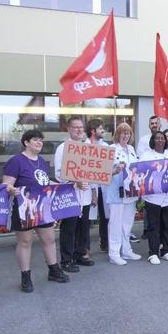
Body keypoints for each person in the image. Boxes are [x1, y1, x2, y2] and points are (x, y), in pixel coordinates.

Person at [3, 129, 69, 293]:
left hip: (42, 207)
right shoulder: (16, 161)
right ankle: (25, 276)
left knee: (50, 239)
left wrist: (68, 185)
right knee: (25, 242)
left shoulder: (41, 161)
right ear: (26, 142)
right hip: (23, 207)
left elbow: (46, 183)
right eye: (35, 140)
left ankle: (54, 270)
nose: (39, 143)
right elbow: (6, 184)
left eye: (41, 140)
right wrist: (11, 189)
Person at [54, 117, 94, 273]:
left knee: (84, 227)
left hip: (86, 194)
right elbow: (59, 173)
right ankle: (66, 260)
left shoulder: (88, 147)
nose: (79, 130)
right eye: (75, 127)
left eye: (81, 127)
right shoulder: (63, 148)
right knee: (69, 228)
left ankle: (80, 254)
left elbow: (95, 170)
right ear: (69, 129)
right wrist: (75, 181)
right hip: (71, 195)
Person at [104, 123, 142, 265]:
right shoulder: (112, 149)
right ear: (117, 134)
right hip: (116, 192)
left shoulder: (131, 149)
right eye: (123, 133)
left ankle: (126, 250)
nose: (125, 135)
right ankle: (114, 253)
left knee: (127, 223)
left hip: (130, 192)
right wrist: (115, 170)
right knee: (115, 224)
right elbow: (103, 171)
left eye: (128, 133)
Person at [140, 131, 168, 264]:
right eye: (157, 138)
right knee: (153, 226)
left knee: (167, 225)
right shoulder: (146, 155)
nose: (160, 140)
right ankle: (153, 253)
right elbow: (142, 174)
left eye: (162, 138)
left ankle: (166, 250)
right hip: (153, 198)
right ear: (153, 140)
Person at [86, 118, 111, 251]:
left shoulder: (106, 146)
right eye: (101, 129)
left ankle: (105, 242)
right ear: (93, 130)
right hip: (89, 187)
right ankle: (86, 248)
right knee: (87, 218)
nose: (103, 131)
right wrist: (92, 191)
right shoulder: (84, 146)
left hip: (104, 186)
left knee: (105, 215)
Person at [137, 116, 162, 241]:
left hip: (162, 174)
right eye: (152, 123)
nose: (154, 125)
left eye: (156, 123)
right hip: (148, 176)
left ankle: (160, 230)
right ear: (149, 125)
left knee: (162, 203)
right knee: (149, 204)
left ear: (160, 125)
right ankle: (147, 229)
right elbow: (140, 156)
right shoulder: (143, 140)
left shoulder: (164, 137)